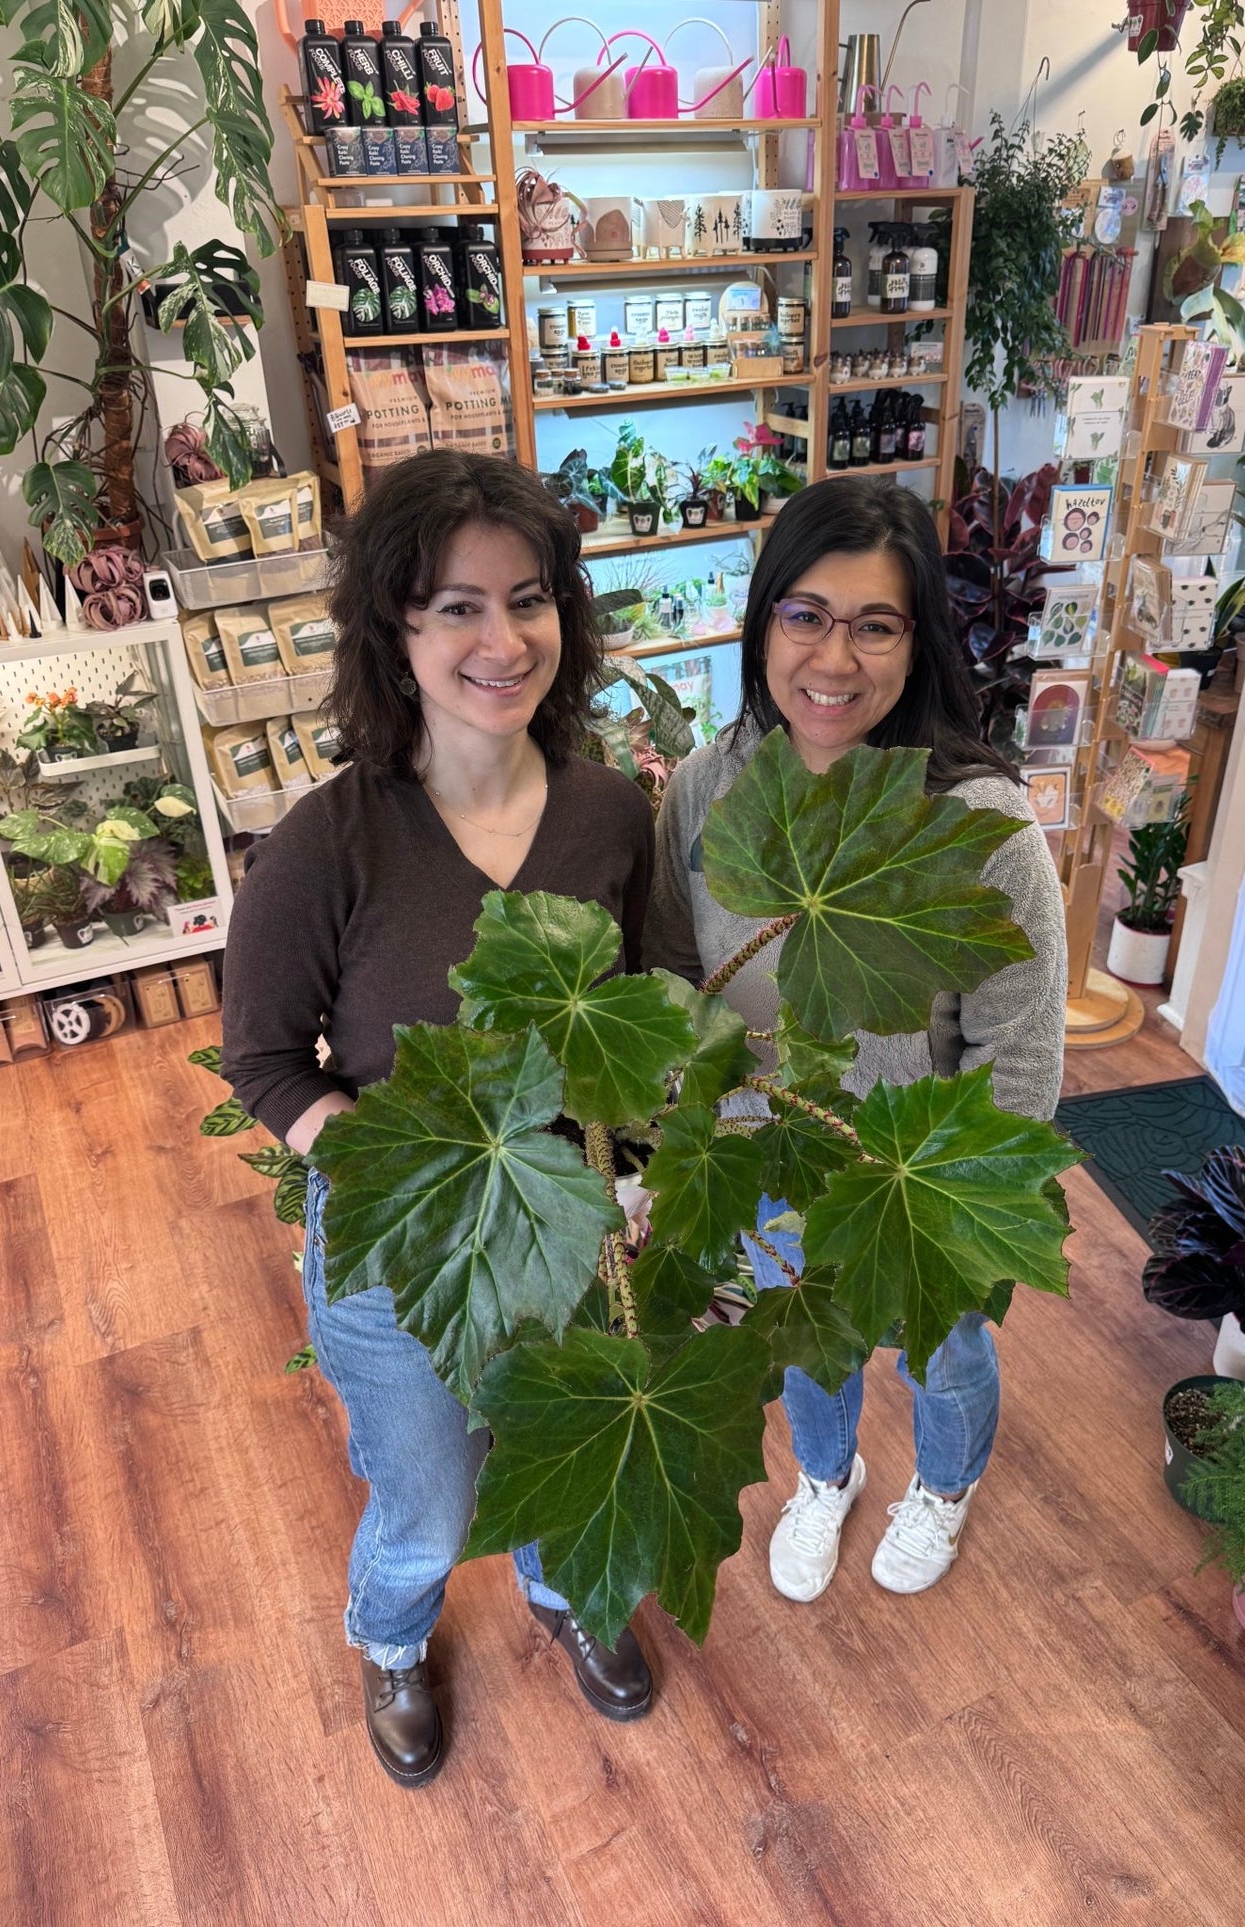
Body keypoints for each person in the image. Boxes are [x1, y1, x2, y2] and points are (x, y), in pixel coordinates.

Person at [221, 452, 657, 1788]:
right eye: (455, 606)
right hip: (395, 1252)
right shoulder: (326, 844)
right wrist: (405, 1179)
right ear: (394, 629)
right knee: (426, 1490)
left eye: (527, 599)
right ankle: (394, 1629)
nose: (500, 638)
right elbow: (265, 1062)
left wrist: (628, 1170)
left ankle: (563, 1580)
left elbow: (639, 1013)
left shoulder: (607, 812)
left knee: (550, 1436)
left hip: (570, 1228)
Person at [643, 477, 1066, 1608]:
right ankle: (823, 1477)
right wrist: (732, 1123)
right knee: (807, 1338)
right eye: (806, 616)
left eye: (874, 624)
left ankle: (945, 1481)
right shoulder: (707, 785)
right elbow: (678, 980)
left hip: (921, 1175)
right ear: (763, 621)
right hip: (770, 1150)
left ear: (915, 640)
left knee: (945, 1351)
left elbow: (1017, 1045)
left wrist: (951, 1201)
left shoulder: (975, 820)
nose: (835, 658)